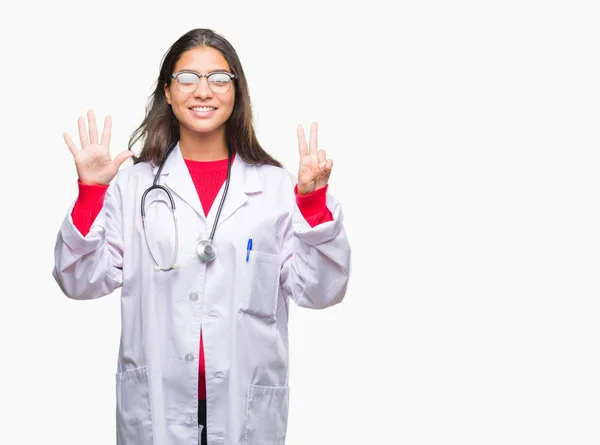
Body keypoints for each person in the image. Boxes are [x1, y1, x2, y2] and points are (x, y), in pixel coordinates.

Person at [52, 28, 351, 445]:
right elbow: (79, 281)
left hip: (245, 407)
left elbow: (321, 291)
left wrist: (314, 204)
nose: (203, 91)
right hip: (157, 407)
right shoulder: (134, 186)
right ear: (168, 93)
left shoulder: (276, 188)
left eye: (219, 79)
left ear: (237, 91)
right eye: (188, 78)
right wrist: (90, 193)